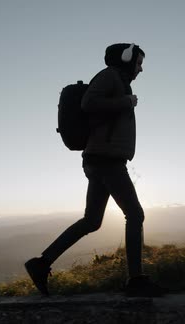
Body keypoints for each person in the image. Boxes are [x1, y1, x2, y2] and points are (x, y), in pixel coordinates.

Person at [25, 43, 167, 297]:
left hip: (100, 159)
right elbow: (89, 102)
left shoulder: (119, 80)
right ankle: (136, 280)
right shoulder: (110, 76)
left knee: (92, 221)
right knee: (135, 215)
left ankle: (41, 263)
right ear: (126, 59)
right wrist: (126, 101)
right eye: (138, 63)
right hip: (106, 160)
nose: (141, 69)